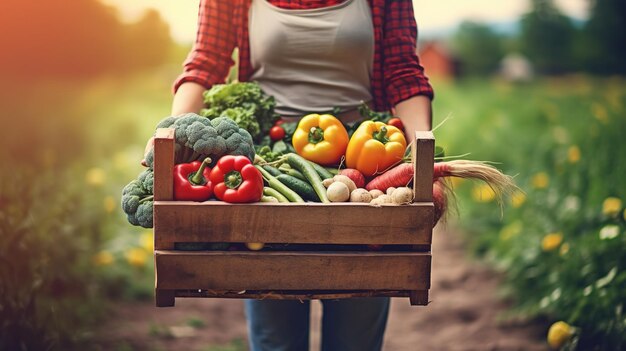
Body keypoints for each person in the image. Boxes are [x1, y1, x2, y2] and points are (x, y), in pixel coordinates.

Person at [152, 0, 433, 350]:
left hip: (364, 162)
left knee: (356, 338)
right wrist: (172, 133)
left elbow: (402, 72)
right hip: (267, 169)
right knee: (276, 340)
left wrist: (421, 151)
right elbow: (206, 63)